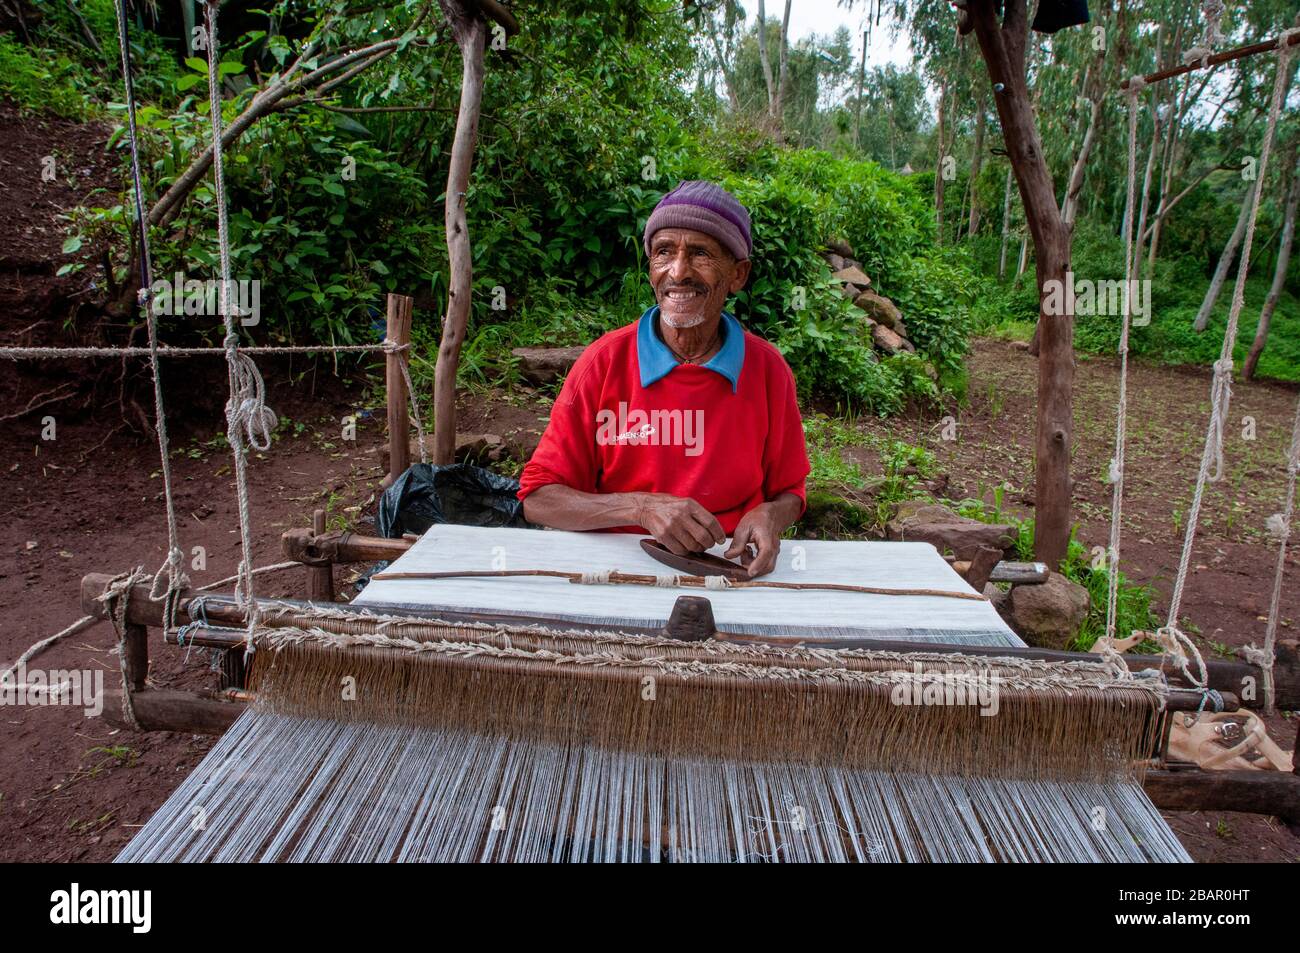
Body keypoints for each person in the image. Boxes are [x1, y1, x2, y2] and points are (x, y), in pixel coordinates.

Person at [517, 180, 810, 577]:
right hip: (617, 568)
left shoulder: (767, 370)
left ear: (738, 274)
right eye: (664, 252)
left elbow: (790, 491)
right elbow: (538, 498)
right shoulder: (603, 363)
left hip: (729, 565)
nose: (678, 271)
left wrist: (770, 515)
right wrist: (641, 508)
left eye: (700, 253)